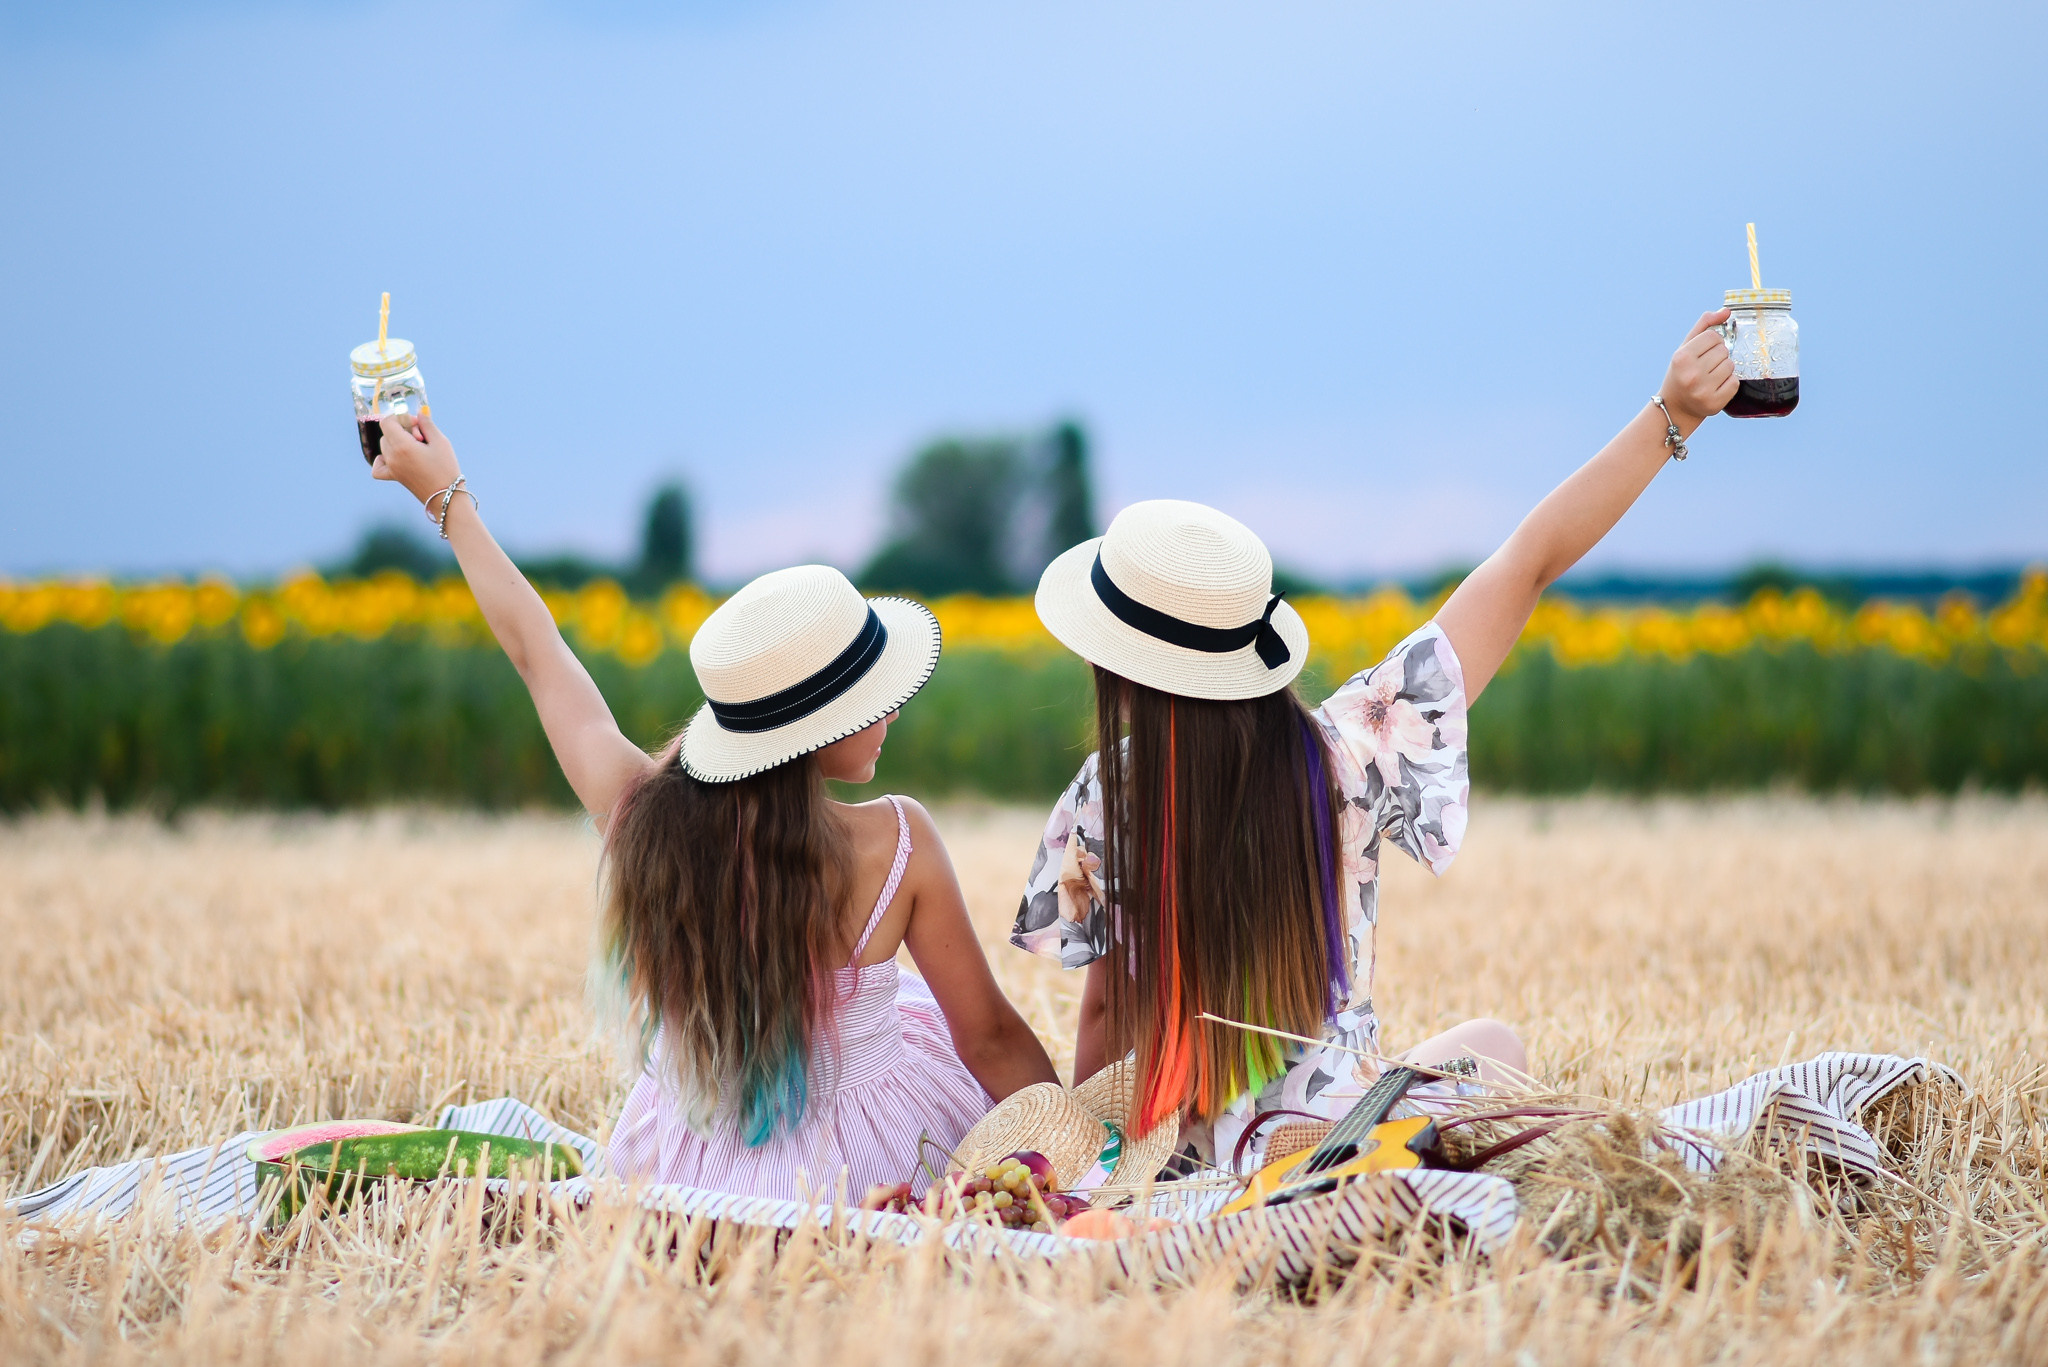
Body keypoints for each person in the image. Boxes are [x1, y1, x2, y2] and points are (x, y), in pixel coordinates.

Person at [1011, 309, 1741, 1171]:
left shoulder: (1109, 791)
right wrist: (1674, 414)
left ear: (1119, 663)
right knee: (1494, 1042)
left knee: (1484, 1043)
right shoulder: (1349, 748)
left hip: (1196, 1154)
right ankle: (1363, 1166)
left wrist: (1111, 1171)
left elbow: (1103, 1018)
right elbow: (1526, 563)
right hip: (1341, 1133)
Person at [369, 416, 1057, 1200]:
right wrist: (1082, 1152)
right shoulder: (898, 841)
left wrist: (446, 500)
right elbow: (990, 1036)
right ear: (814, 728)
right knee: (910, 1013)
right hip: (878, 1159)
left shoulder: (646, 819)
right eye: (873, 701)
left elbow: (538, 654)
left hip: (697, 1168)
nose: (893, 713)